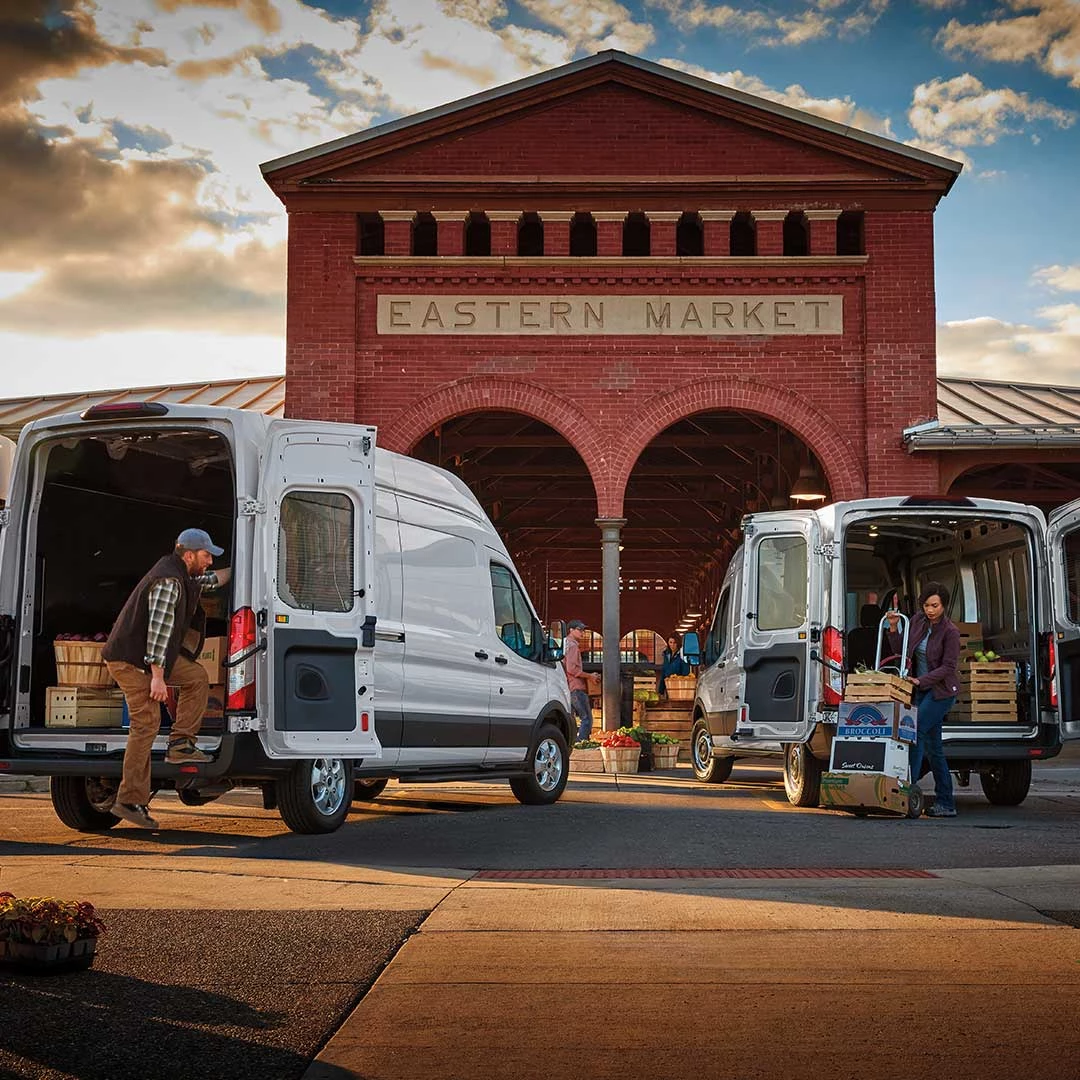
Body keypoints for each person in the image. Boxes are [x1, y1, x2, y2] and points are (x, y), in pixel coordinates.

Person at [102, 528, 231, 828]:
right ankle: (130, 800)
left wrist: (243, 566)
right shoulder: (168, 582)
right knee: (146, 724)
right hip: (131, 662)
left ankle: (181, 744)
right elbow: (158, 634)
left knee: (197, 677)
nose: (210, 560)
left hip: (150, 661)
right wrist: (157, 678)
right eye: (206, 555)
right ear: (188, 554)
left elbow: (211, 580)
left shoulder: (185, 574)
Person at [886, 582, 961, 818]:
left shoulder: (951, 632)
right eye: (927, 605)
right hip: (919, 690)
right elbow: (902, 651)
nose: (930, 610)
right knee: (935, 749)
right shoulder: (917, 621)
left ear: (944, 606)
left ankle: (907, 793)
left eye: (935, 606)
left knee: (914, 733)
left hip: (941, 692)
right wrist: (894, 628)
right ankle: (946, 802)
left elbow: (949, 667)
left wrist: (922, 680)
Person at [562, 618, 592, 741]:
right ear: (571, 630)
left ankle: (572, 742)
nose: (582, 633)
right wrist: (590, 676)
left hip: (567, 686)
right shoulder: (573, 646)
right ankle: (581, 743)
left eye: (583, 630)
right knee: (586, 719)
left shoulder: (564, 644)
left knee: (572, 718)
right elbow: (572, 669)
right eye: (579, 630)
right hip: (576, 687)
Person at [657, 634, 688, 699]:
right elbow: (664, 672)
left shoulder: (682, 655)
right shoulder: (666, 655)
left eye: (674, 643)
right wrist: (661, 690)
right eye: (670, 642)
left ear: (678, 643)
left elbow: (685, 672)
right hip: (668, 685)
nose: (672, 645)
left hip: (679, 686)